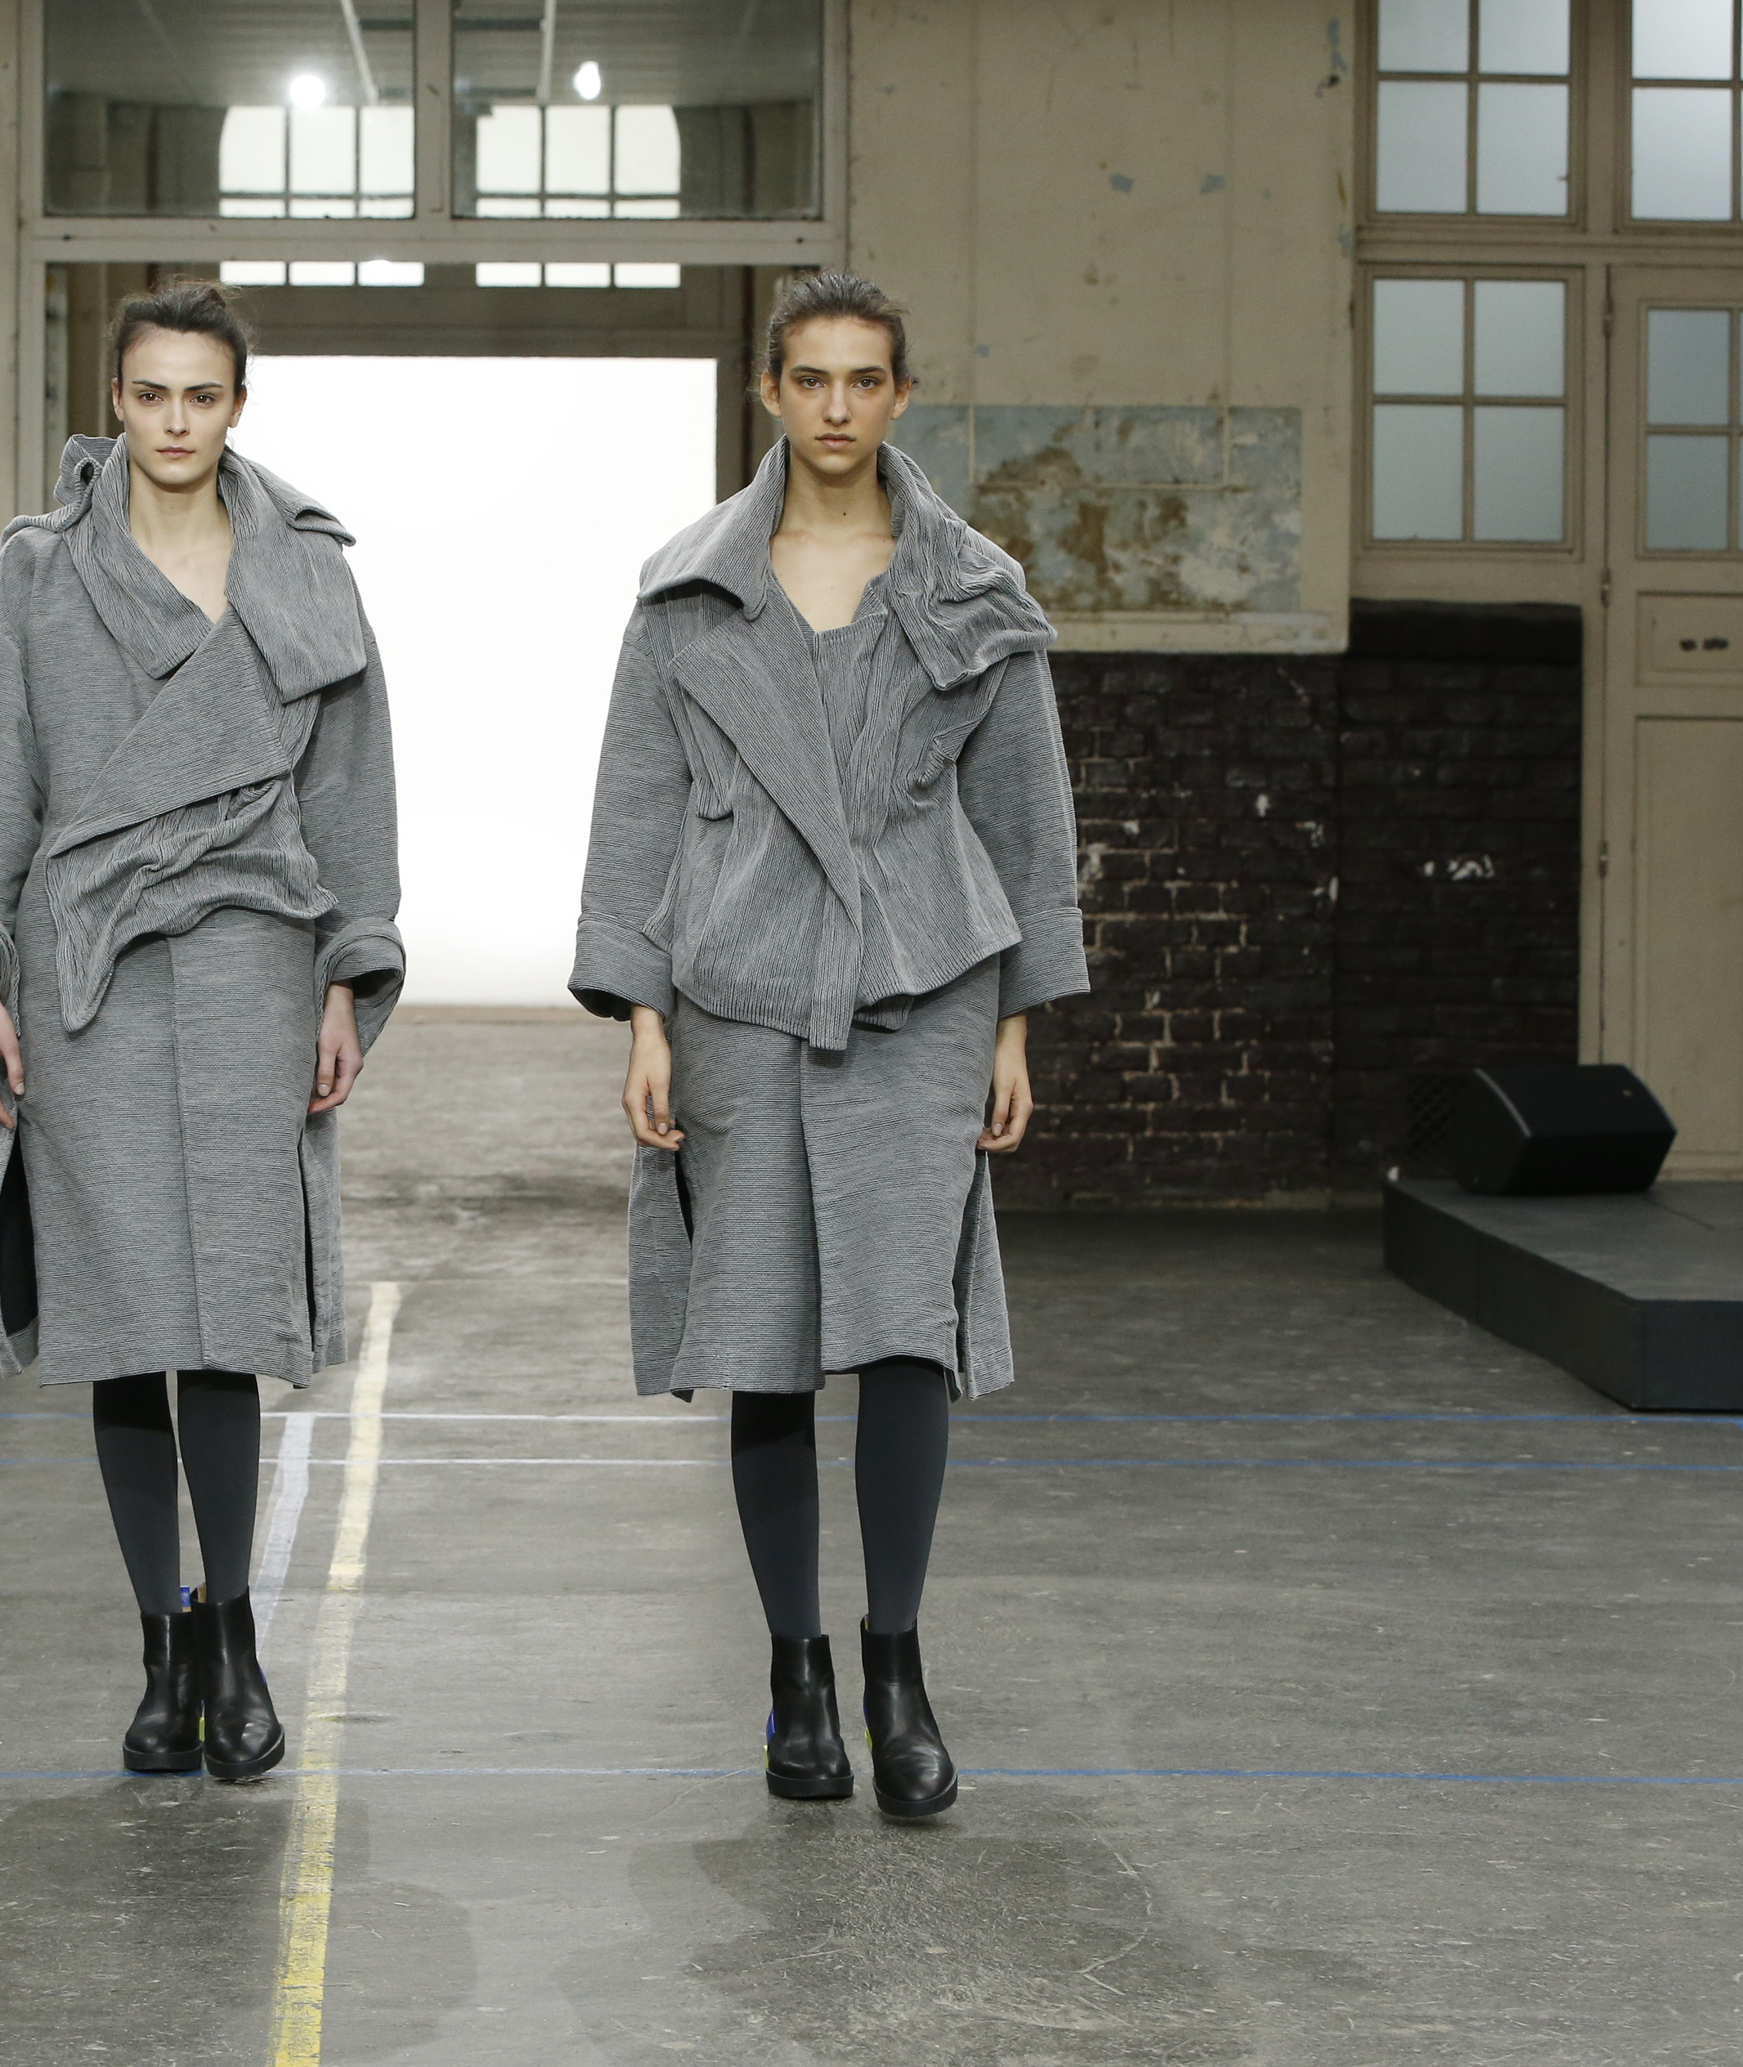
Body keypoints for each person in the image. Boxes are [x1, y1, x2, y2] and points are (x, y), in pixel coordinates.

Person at [571, 271, 1086, 1819]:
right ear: (772, 393)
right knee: (765, 1337)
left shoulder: (976, 589)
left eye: (866, 379)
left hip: (924, 986)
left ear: (901, 395)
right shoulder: (689, 592)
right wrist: (643, 1016)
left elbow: (1025, 818)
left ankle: (897, 1670)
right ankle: (796, 1675)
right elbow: (639, 808)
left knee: (906, 1332)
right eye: (813, 379)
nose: (839, 406)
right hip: (737, 988)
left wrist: (1014, 1023)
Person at [0, 279, 403, 1783]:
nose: (175, 422)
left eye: (202, 396)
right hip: (90, 978)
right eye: (150, 395)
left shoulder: (306, 570)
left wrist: (346, 973)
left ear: (238, 405)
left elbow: (351, 787)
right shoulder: (41, 571)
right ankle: (159, 1644)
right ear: (114, 401)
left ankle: (235, 1638)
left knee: (226, 1325)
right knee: (123, 1324)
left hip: (255, 964)